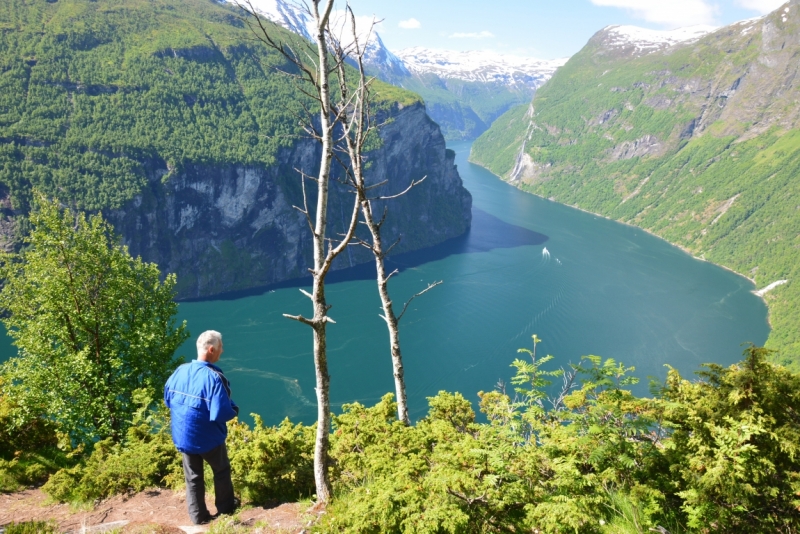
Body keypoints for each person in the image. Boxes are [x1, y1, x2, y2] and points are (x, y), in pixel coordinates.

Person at [164, 330, 240, 525]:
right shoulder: (214, 377)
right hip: (208, 437)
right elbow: (221, 412)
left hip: (183, 436)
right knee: (221, 470)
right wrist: (234, 410)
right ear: (212, 349)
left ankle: (198, 516)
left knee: (193, 477)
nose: (222, 351)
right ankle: (226, 508)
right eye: (221, 347)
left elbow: (167, 399)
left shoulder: (179, 371)